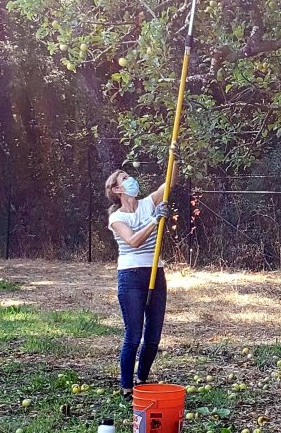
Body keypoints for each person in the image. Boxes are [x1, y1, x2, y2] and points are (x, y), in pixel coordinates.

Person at [104, 162, 177, 399]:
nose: (130, 179)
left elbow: (169, 182)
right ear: (116, 190)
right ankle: (127, 387)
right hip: (131, 277)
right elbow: (133, 241)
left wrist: (174, 157)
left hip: (156, 272)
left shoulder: (148, 203)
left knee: (153, 336)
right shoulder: (116, 217)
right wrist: (155, 221)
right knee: (133, 335)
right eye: (124, 178)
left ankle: (142, 380)